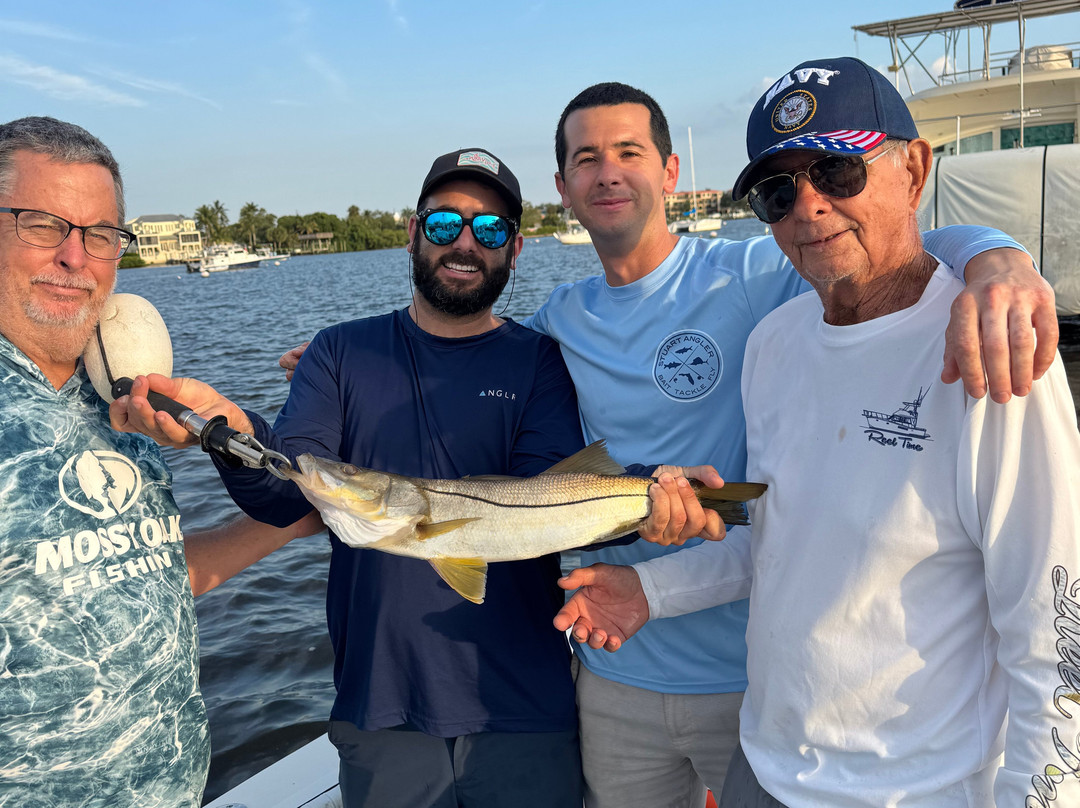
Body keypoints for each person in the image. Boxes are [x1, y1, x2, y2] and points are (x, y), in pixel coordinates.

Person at [277, 85, 1059, 807]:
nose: (607, 173)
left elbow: (886, 247)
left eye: (628, 153)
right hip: (616, 663)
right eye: (586, 158)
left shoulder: (758, 276)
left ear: (671, 169)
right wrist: (348, 358)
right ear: (564, 189)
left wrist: (998, 259)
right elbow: (462, 338)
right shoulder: (559, 321)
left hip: (747, 676)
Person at [110, 147, 717, 808]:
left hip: (522, 706)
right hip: (381, 705)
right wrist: (229, 428)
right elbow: (287, 493)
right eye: (443, 224)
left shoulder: (539, 360)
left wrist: (655, 503)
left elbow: (553, 504)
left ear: (514, 250)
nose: (464, 243)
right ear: (412, 233)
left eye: (488, 231)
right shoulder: (339, 353)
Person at [555, 57, 1080, 808]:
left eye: (836, 171)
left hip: (921, 789)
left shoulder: (987, 344)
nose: (809, 207)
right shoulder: (772, 344)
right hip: (764, 769)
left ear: (915, 169)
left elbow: (1056, 623)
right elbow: (777, 534)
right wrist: (650, 588)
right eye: (778, 190)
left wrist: (1046, 796)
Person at [0, 116, 318, 808]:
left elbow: (138, 570)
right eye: (42, 225)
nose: (75, 258)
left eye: (100, 234)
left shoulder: (119, 393)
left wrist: (300, 521)